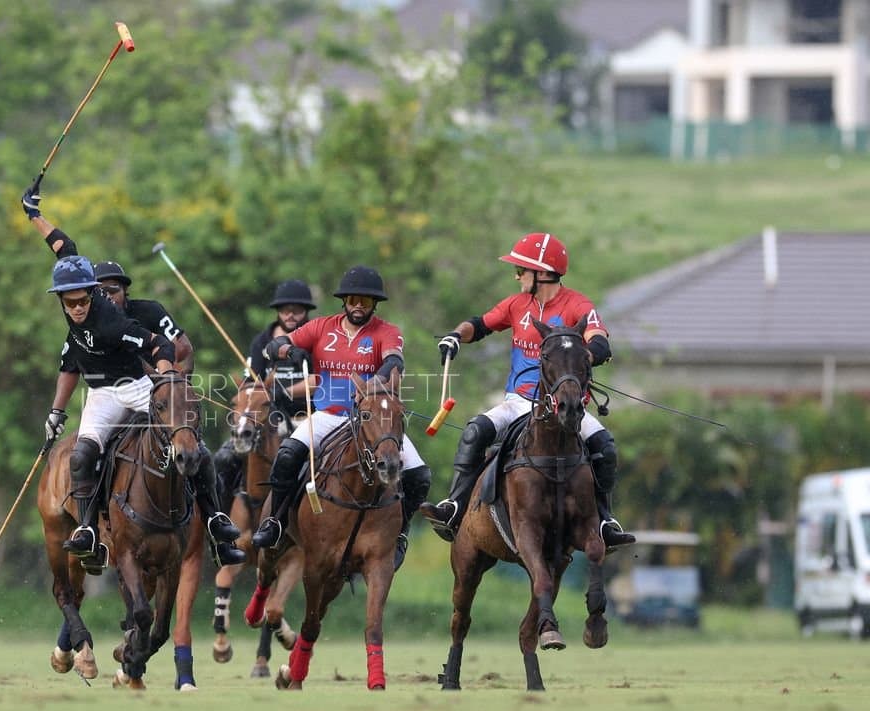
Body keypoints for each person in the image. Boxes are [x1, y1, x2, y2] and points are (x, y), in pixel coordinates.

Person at [22, 184, 244, 569]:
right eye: (67, 300)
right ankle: (89, 530)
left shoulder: (110, 323)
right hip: (102, 395)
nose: (75, 307)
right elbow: (63, 245)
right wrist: (33, 214)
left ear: (91, 294)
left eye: (81, 299)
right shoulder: (74, 290)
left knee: (191, 444)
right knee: (83, 454)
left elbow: (161, 346)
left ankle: (214, 521)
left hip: (137, 388)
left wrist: (165, 380)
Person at [419, 232, 635, 551]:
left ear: (542, 273)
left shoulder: (578, 304)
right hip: (518, 402)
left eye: (521, 269)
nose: (517, 275)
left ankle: (604, 520)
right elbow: (478, 325)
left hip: (565, 406)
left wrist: (584, 356)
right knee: (474, 431)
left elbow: (598, 337)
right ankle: (454, 507)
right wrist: (454, 336)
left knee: (604, 445)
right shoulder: (517, 304)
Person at [249, 266, 432, 571]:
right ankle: (276, 522)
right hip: (329, 416)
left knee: (419, 475)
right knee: (288, 455)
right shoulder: (321, 327)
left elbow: (394, 360)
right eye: (353, 299)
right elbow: (272, 347)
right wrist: (286, 351)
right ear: (344, 300)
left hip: (373, 420)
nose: (359, 305)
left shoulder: (387, 332)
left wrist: (378, 380)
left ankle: (400, 534)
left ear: (375, 304)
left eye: (366, 301)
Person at [213, 279, 316, 510]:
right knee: (224, 458)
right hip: (266, 415)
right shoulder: (262, 341)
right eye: (284, 309)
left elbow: (320, 381)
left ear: (306, 311)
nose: (290, 315)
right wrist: (258, 394)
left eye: (297, 310)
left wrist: (283, 391)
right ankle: (219, 520)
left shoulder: (316, 339)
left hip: (306, 414)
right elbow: (250, 383)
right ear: (277, 311)